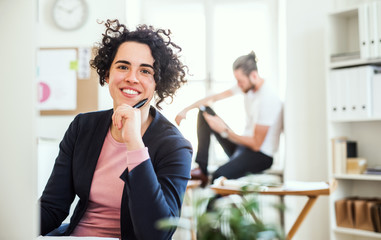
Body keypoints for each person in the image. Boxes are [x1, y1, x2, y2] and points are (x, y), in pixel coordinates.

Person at [39, 19, 192, 240]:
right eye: (123, 66)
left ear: (158, 82)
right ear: (107, 74)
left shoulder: (175, 146)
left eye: (145, 71)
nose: (132, 78)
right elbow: (52, 207)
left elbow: (156, 234)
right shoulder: (83, 127)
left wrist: (135, 144)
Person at [175, 51, 283, 187]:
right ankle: (201, 169)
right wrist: (186, 109)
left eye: (240, 81)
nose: (238, 84)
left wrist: (225, 131)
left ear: (253, 75)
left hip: (261, 156)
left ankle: (211, 208)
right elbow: (213, 98)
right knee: (204, 111)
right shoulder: (248, 87)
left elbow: (256, 144)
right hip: (244, 148)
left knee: (218, 176)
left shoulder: (268, 99)